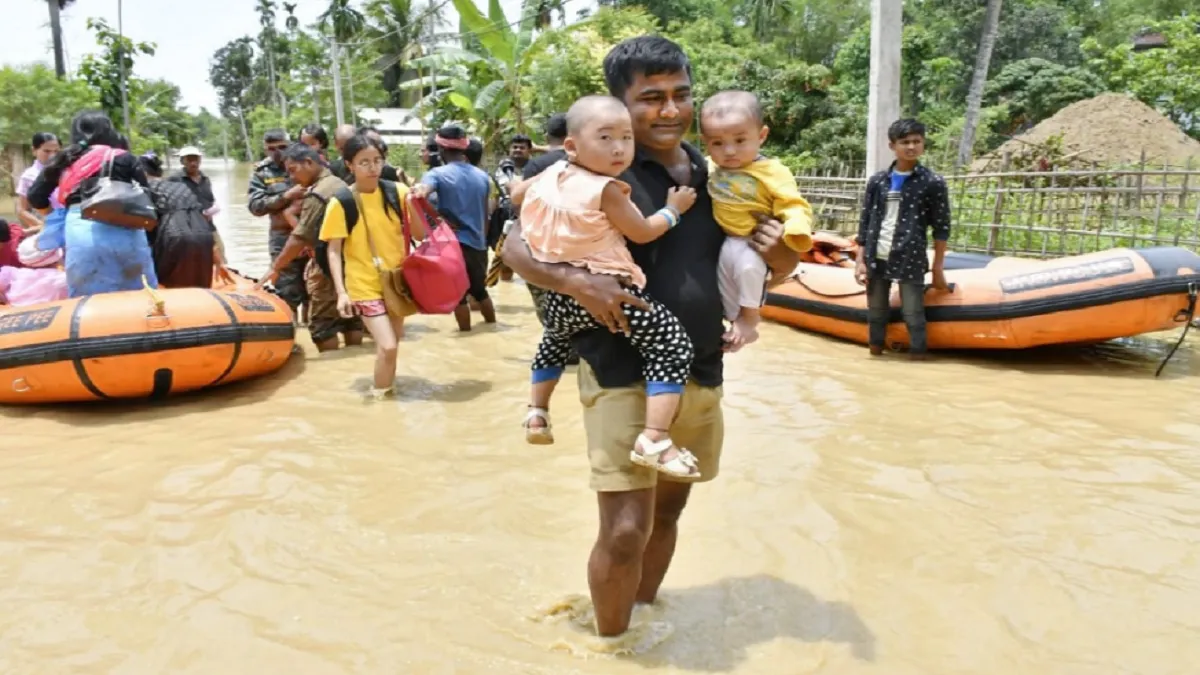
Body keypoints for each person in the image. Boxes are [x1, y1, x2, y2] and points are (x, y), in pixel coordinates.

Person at [502, 36, 799, 638]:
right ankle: (610, 650)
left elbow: (766, 263)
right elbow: (510, 247)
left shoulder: (720, 169)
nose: (668, 110)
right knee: (624, 527)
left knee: (669, 514)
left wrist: (785, 258)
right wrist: (577, 284)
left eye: (680, 95)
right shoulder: (581, 166)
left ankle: (640, 623)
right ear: (619, 104)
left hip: (700, 367)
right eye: (650, 98)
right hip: (617, 367)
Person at [520, 94, 703, 481]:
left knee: (554, 339)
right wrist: (674, 209)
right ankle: (654, 438)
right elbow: (643, 231)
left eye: (625, 138)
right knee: (672, 344)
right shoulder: (607, 190)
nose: (619, 148)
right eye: (605, 138)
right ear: (572, 145)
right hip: (611, 292)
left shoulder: (551, 175)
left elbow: (516, 196)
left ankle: (537, 412)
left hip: (561, 296)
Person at [699, 90, 815, 348]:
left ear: (761, 136)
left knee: (749, 269)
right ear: (705, 141)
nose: (729, 151)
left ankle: (750, 319)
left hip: (753, 240)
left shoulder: (772, 171)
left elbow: (793, 203)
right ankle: (734, 324)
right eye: (717, 143)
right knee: (724, 279)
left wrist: (795, 230)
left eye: (740, 140)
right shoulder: (708, 167)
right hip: (726, 239)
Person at [319, 133, 426, 398]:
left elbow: (421, 235)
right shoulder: (341, 202)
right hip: (363, 284)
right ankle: (380, 400)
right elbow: (333, 250)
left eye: (377, 160)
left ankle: (386, 391)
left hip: (396, 281)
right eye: (364, 162)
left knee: (392, 344)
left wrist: (414, 204)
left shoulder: (397, 192)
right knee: (388, 346)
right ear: (349, 165)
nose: (373, 167)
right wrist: (342, 292)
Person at [26, 111, 158, 297]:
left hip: (80, 234)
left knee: (87, 302)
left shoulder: (63, 159)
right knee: (142, 298)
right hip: (127, 235)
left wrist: (54, 215)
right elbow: (148, 200)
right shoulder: (125, 157)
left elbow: (35, 197)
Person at [854, 118, 951, 360]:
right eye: (905, 142)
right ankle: (874, 355)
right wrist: (859, 259)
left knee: (914, 314)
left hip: (911, 254)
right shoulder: (878, 181)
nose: (911, 147)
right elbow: (865, 221)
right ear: (892, 146)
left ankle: (917, 359)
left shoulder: (932, 182)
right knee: (876, 312)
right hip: (878, 254)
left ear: (923, 144)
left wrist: (938, 266)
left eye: (916, 141)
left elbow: (941, 227)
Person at [257, 143, 365, 352]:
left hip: (327, 265)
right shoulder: (339, 183)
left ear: (308, 163)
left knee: (323, 326)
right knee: (352, 318)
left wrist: (275, 268)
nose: (291, 178)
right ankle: (355, 360)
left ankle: (330, 371)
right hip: (350, 263)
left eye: (293, 170)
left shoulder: (318, 194)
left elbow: (300, 237)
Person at [411, 125, 496, 332]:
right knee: (480, 291)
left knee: (458, 296)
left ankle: (465, 336)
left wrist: (438, 217)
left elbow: (420, 194)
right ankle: (492, 328)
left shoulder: (437, 174)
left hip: (454, 244)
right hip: (478, 243)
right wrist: (482, 243)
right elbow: (485, 214)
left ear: (440, 149)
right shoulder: (482, 176)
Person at [141, 152, 228, 289]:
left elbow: (149, 227)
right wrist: (215, 252)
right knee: (201, 288)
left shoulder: (144, 190)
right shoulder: (178, 184)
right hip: (204, 234)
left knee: (168, 286)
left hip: (174, 236)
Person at [248, 128, 308, 315]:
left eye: (282, 147)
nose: (278, 152)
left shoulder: (305, 164)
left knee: (313, 292)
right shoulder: (262, 172)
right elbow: (255, 207)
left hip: (311, 235)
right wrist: (285, 196)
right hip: (282, 238)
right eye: (271, 149)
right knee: (286, 293)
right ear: (266, 150)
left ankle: (310, 335)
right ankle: (293, 336)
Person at [15, 132, 62, 232]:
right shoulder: (29, 176)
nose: (52, 155)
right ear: (34, 150)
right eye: (47, 151)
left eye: (56, 151)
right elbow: (22, 210)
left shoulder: (66, 171)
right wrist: (44, 225)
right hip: (46, 227)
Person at [168, 146, 219, 222]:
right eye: (189, 159)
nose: (193, 163)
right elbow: (169, 205)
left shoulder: (205, 179)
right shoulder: (174, 179)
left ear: (200, 160)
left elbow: (210, 200)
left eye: (196, 159)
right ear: (182, 161)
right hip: (185, 224)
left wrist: (213, 209)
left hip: (206, 223)